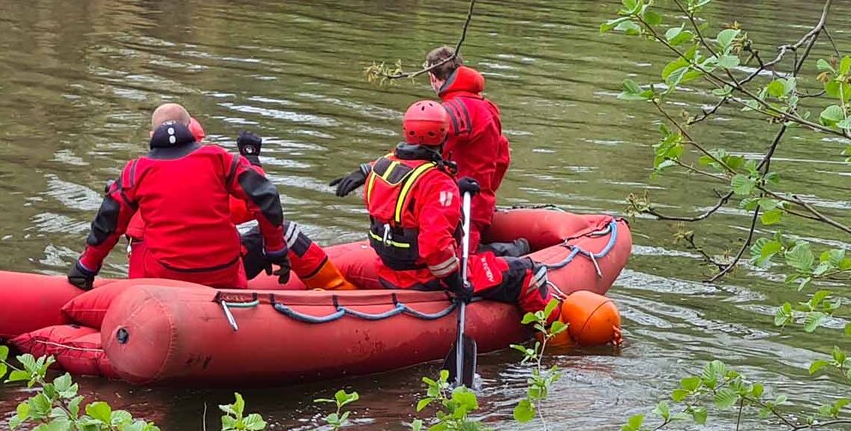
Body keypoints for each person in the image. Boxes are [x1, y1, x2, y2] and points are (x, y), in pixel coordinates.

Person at [67, 103, 291, 291]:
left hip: (163, 280)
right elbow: (265, 197)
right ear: (191, 131)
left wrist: (86, 267)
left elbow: (107, 224)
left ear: (152, 136)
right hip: (224, 276)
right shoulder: (220, 159)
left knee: (140, 245)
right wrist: (275, 249)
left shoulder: (135, 171)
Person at [331, 46, 528, 258]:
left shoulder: (458, 109)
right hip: (470, 199)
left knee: (455, 261)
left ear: (433, 78)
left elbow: (420, 144)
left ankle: (511, 252)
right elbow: (502, 158)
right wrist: (485, 191)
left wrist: (369, 170)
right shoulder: (484, 106)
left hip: (460, 205)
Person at [363, 99, 551, 316]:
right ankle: (556, 343)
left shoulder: (380, 168)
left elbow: (405, 206)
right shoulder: (438, 183)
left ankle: (512, 250)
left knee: (497, 254)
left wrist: (453, 186)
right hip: (427, 280)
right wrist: (457, 283)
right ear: (444, 134)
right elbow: (435, 247)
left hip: (388, 271)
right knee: (527, 272)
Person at [125, 121, 355, 291]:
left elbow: (108, 225)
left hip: (151, 279)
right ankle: (343, 294)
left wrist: (87, 268)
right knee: (286, 234)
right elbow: (257, 203)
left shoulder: (138, 177)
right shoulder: (201, 179)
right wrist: (252, 162)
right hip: (204, 278)